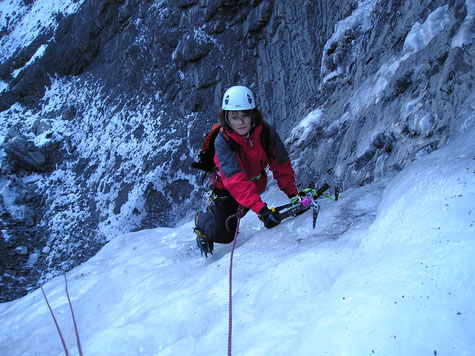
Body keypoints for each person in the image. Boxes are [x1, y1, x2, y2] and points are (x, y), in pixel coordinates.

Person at [194, 85, 300, 256]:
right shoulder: (223, 141)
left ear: (253, 115)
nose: (240, 122)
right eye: (234, 117)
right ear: (226, 117)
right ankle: (202, 220)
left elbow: (281, 164)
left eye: (245, 116)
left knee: (236, 216)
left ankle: (216, 213)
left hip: (252, 187)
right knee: (225, 234)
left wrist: (293, 194)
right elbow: (235, 180)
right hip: (227, 190)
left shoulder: (265, 132)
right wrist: (261, 210)